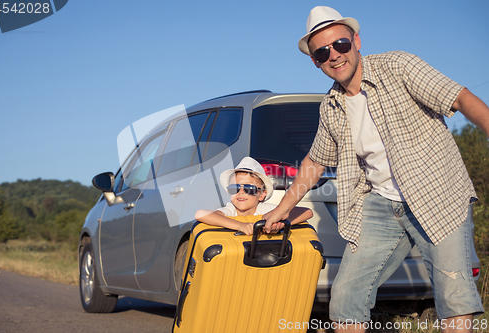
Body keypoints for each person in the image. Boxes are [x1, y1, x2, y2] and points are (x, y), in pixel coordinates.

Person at [263, 6, 489, 333]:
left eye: (340, 44)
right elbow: (315, 161)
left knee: (454, 299)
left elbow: (460, 98)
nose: (334, 56)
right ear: (315, 61)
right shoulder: (331, 106)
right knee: (345, 300)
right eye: (322, 52)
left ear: (356, 41)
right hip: (380, 204)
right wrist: (280, 209)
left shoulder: (398, 66)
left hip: (438, 195)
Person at [195, 157, 312, 235]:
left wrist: (280, 224)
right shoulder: (231, 210)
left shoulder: (264, 209)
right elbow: (200, 214)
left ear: (262, 195)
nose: (241, 192)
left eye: (249, 189)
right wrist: (241, 226)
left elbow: (307, 212)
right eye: (234, 188)